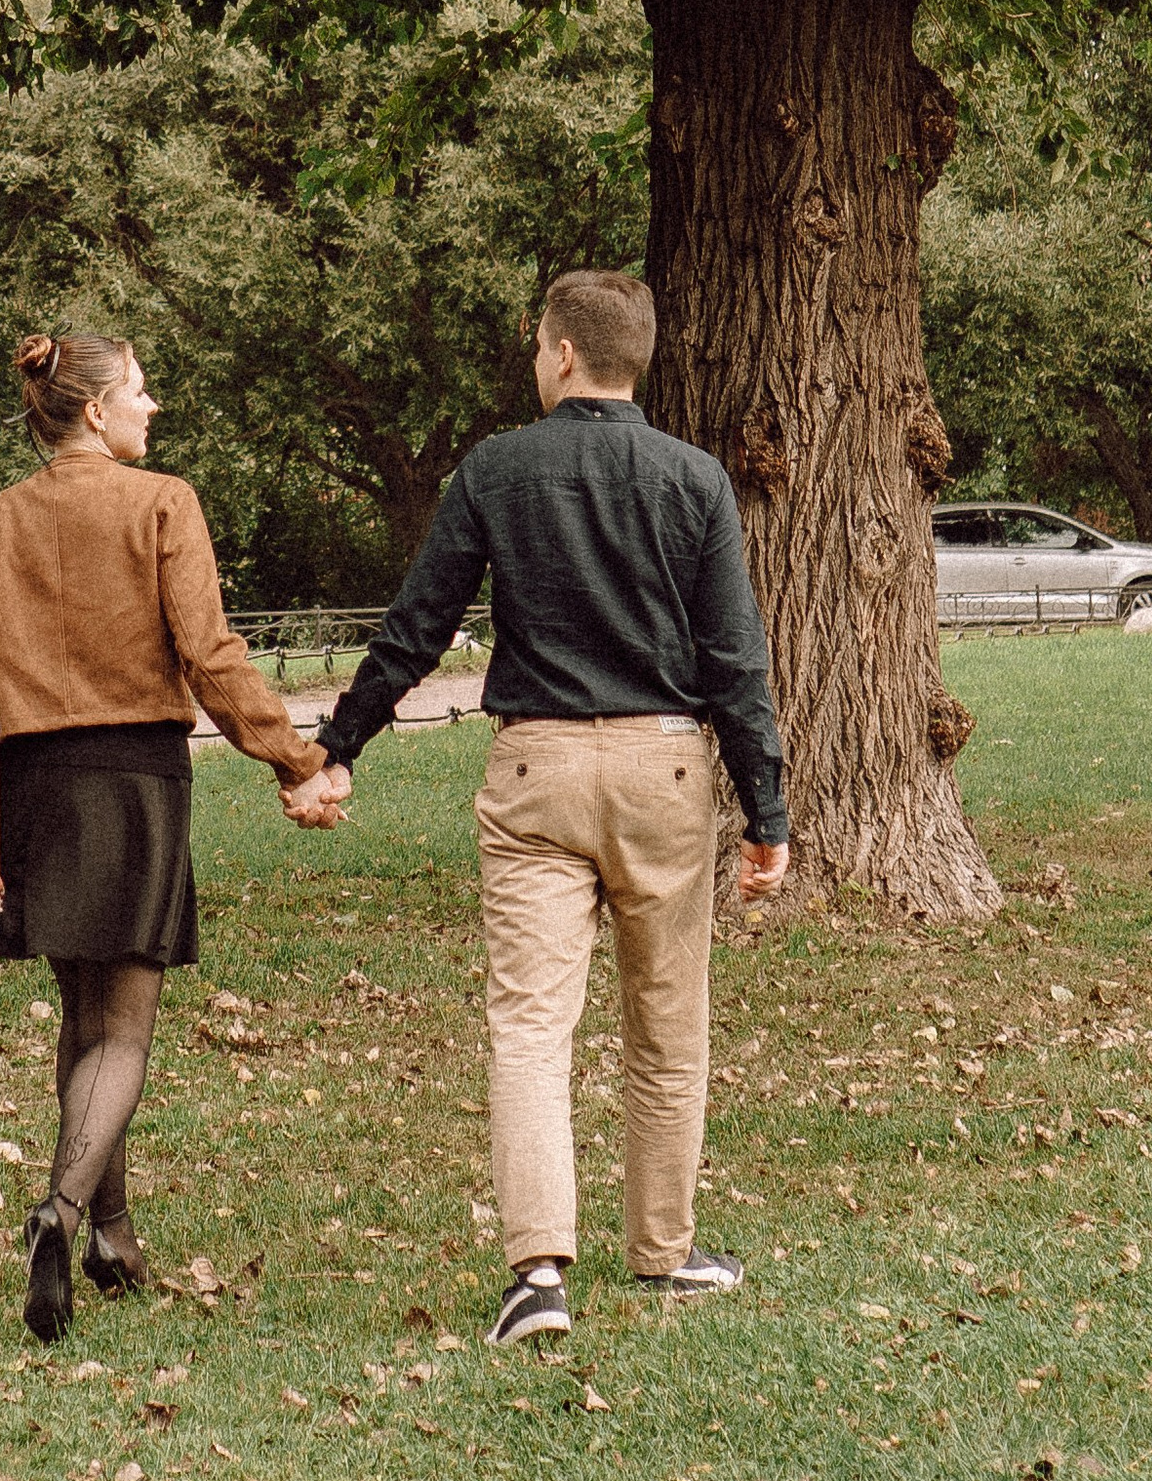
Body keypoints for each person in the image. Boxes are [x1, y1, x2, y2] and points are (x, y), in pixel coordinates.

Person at [282, 267, 790, 1343]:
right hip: (664, 771)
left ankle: (538, 1278)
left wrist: (339, 749)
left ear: (562, 352)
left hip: (536, 773)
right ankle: (663, 1252)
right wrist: (767, 811)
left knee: (529, 1028)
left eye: (535, 347)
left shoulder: (498, 470)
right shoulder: (694, 480)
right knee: (667, 1029)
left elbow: (416, 625)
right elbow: (734, 659)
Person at [0, 326, 339, 1342]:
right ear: (94, 406)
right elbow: (209, 654)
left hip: (35, 788)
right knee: (123, 1029)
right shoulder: (163, 502)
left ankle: (111, 1233)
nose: (151, 409)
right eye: (141, 391)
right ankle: (60, 1211)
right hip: (134, 784)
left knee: (81, 1018)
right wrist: (296, 759)